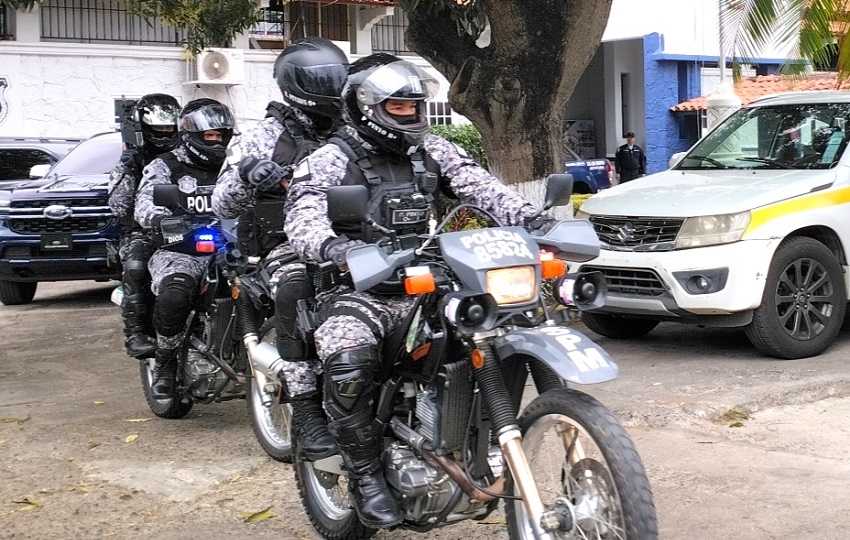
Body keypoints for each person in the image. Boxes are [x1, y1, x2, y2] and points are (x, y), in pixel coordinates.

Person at [283, 53, 556, 528]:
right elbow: (301, 219)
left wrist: (533, 218)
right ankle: (366, 475)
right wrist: (336, 249)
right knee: (350, 357)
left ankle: (478, 437)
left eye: (415, 107)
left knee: (505, 323)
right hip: (359, 289)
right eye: (400, 108)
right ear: (367, 107)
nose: (411, 116)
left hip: (430, 280)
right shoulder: (329, 160)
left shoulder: (434, 151)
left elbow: (482, 187)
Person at [212, 36, 348, 460]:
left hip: (352, 238)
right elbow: (222, 202)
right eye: (320, 80)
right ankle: (306, 409)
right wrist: (249, 177)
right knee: (295, 287)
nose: (330, 88)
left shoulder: (355, 126)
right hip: (283, 242)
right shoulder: (264, 136)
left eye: (335, 78)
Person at [135, 98, 236, 399]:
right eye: (209, 136)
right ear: (191, 134)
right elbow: (144, 205)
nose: (216, 141)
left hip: (232, 246)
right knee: (176, 292)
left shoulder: (237, 164)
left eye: (221, 135)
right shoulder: (164, 166)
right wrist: (165, 219)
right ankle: (165, 362)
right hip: (181, 249)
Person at [108, 93, 182, 358]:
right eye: (158, 128)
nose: (164, 133)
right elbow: (118, 206)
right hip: (144, 229)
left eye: (169, 127)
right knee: (137, 265)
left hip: (190, 224)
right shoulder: (133, 158)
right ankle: (136, 333)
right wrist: (127, 172)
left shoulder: (190, 153)